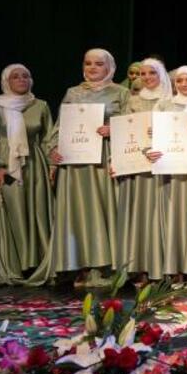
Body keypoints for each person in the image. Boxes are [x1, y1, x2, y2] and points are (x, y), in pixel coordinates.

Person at [32, 49, 129, 287]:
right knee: (78, 210)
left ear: (109, 67)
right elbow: (60, 125)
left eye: (98, 64)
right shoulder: (73, 93)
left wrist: (113, 128)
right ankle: (80, 266)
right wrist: (53, 151)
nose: (93, 68)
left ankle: (106, 268)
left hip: (103, 159)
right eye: (88, 63)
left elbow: (130, 123)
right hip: (74, 162)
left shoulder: (121, 92)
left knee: (105, 209)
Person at [0, 64, 54, 285]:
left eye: (26, 76)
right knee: (14, 211)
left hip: (35, 164)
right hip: (6, 164)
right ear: (5, 81)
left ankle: (37, 264)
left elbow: (49, 137)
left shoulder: (40, 105)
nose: (21, 79)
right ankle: (15, 266)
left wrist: (52, 165)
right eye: (15, 77)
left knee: (36, 211)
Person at [117, 58, 173, 284]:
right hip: (138, 164)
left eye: (152, 73)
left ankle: (161, 265)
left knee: (160, 214)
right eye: (143, 73)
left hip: (163, 163)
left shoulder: (170, 100)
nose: (147, 77)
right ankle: (139, 265)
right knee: (140, 214)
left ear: (161, 74)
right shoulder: (133, 101)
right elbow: (125, 132)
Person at [150, 66, 187, 282]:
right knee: (172, 214)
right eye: (180, 80)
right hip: (169, 168)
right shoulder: (163, 105)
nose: (184, 84)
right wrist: (150, 143)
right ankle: (173, 266)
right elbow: (151, 135)